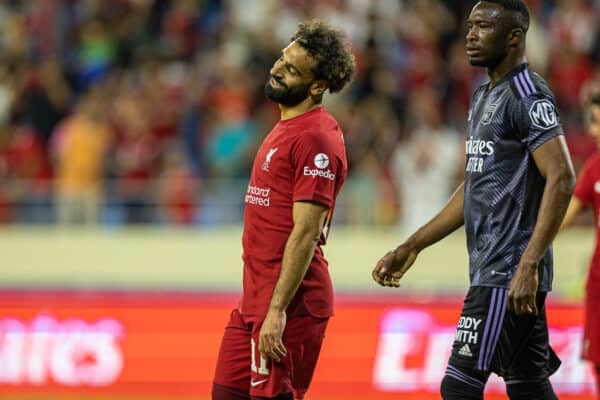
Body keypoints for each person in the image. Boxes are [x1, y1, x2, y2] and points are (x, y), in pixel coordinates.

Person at [372, 1, 575, 399]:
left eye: (483, 26)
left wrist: (528, 263)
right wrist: (413, 245)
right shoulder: (484, 94)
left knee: (458, 388)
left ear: (514, 37)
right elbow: (475, 185)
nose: (470, 34)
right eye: (469, 26)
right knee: (528, 386)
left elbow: (563, 176)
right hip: (498, 271)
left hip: (507, 271)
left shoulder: (527, 93)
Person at [212, 20, 355, 400]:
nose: (277, 69)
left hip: (291, 305)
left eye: (292, 69)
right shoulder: (285, 126)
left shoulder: (316, 137)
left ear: (318, 86)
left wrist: (277, 311)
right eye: (281, 58)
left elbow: (306, 232)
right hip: (254, 301)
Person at [560, 84, 600, 397]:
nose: (592, 130)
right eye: (591, 121)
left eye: (598, 122)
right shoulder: (594, 169)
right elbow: (562, 219)